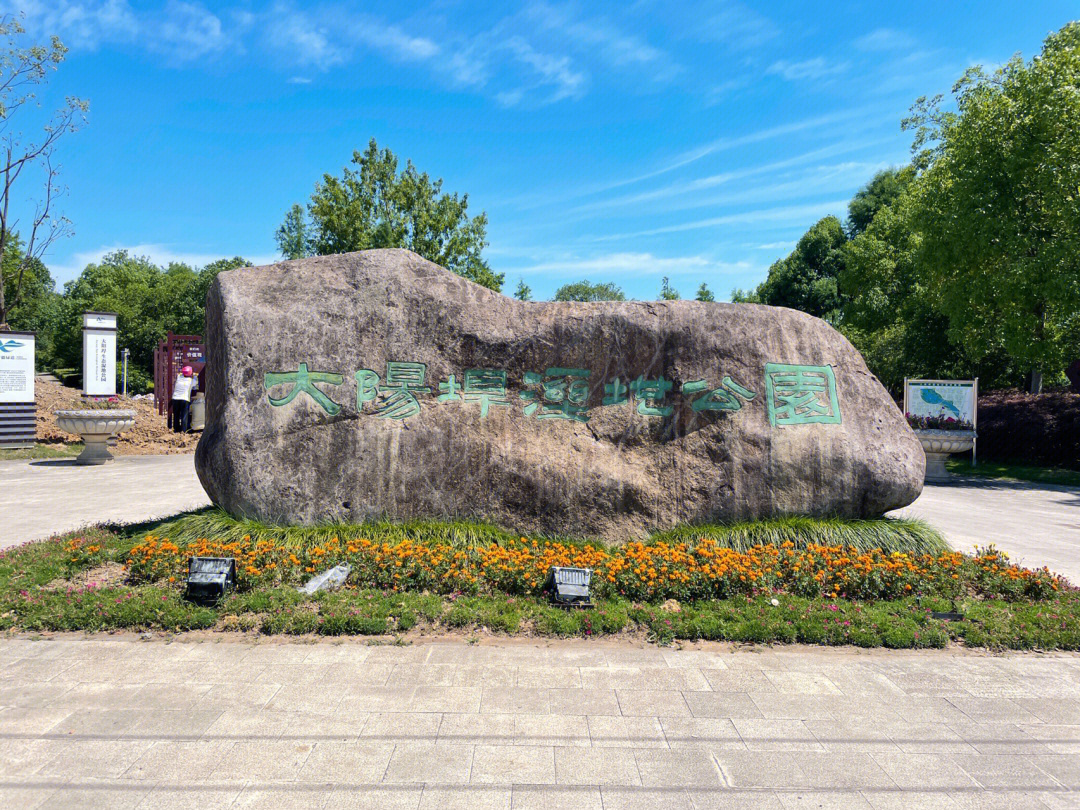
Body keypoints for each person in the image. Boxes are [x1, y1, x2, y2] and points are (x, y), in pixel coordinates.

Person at [172, 365, 198, 433]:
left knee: (176, 415)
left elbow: (179, 374)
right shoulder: (191, 381)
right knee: (184, 415)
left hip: (175, 398)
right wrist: (194, 375)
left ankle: (176, 429)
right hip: (184, 399)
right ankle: (184, 430)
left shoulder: (179, 378)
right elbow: (196, 382)